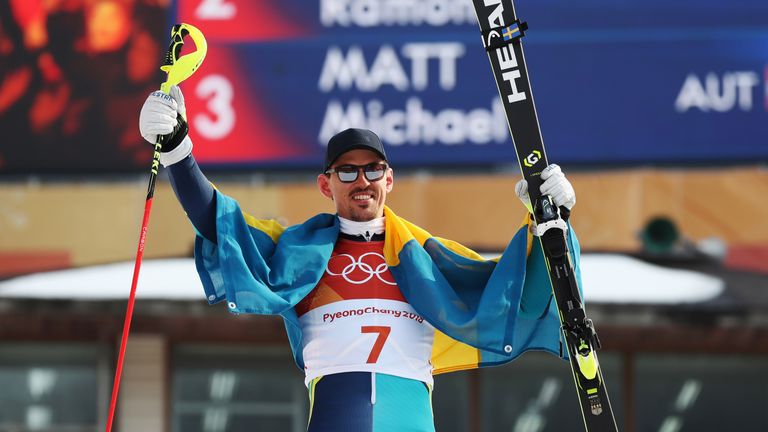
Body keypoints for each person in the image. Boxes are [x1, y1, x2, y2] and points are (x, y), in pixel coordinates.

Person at [139, 85, 580, 431]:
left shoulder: (427, 256)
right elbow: (220, 222)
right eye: (346, 171)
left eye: (372, 170)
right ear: (325, 184)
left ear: (389, 179)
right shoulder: (297, 252)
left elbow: (515, 295)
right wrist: (178, 152)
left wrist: (549, 222)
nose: (361, 180)